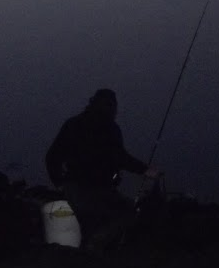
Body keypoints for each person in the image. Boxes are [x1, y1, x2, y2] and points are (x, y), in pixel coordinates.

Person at [45, 88, 159, 251]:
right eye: (110, 106)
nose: (113, 110)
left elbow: (52, 157)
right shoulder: (106, 129)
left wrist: (60, 183)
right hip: (87, 190)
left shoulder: (74, 124)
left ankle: (95, 245)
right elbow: (120, 157)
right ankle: (94, 244)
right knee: (128, 213)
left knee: (122, 211)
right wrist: (145, 170)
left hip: (92, 188)